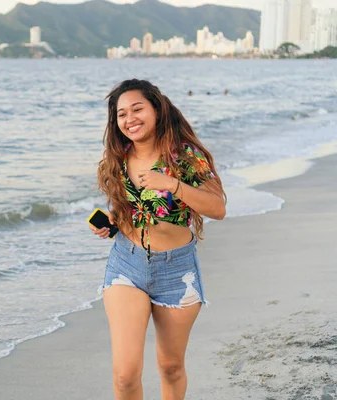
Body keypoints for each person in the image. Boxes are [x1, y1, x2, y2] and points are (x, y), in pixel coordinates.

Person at [90, 79, 226, 400]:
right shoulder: (118, 157)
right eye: (122, 114)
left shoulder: (185, 157)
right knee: (125, 375)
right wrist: (112, 221)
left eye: (138, 109)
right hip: (126, 263)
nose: (130, 118)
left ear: (156, 109)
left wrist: (173, 184)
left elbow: (217, 208)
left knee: (171, 367)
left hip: (176, 270)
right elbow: (128, 207)